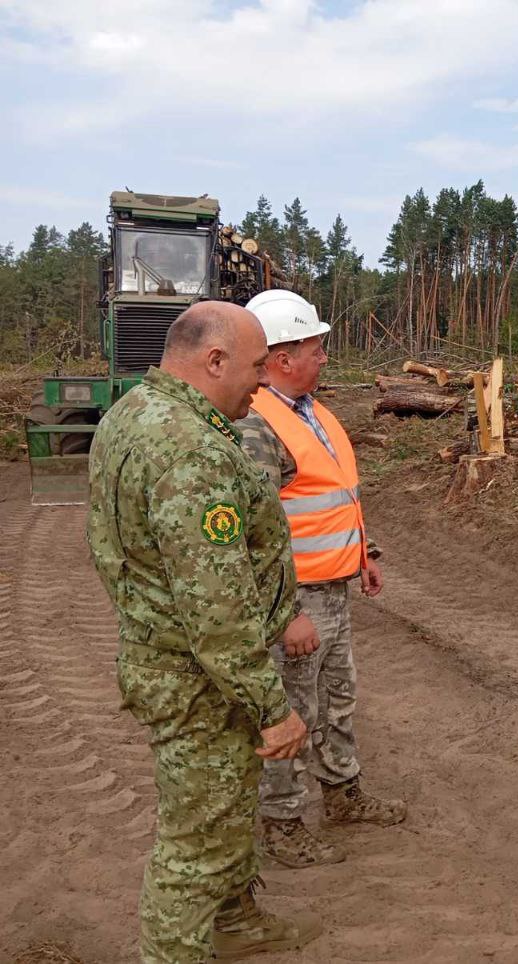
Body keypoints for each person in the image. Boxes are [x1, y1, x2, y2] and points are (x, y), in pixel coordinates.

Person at [86, 301, 324, 962]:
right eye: (254, 367)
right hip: (199, 678)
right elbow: (215, 609)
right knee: (194, 849)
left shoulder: (132, 415)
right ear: (213, 360)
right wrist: (272, 709)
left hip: (180, 663)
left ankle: (238, 920)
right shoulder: (188, 446)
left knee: (224, 810)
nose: (259, 381)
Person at [236, 289, 406, 869]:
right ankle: (282, 821)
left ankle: (342, 794)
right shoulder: (257, 426)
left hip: (332, 588)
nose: (324, 356)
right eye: (316, 346)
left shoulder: (314, 411)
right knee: (289, 713)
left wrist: (365, 552)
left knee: (338, 699)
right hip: (296, 600)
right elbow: (254, 534)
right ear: (282, 357)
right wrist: (285, 614)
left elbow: (332, 496)